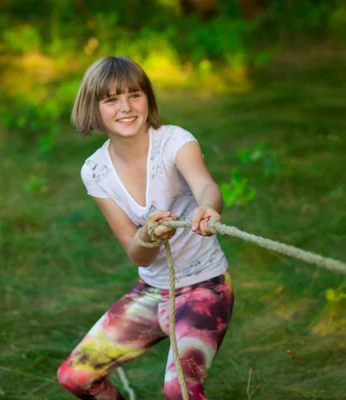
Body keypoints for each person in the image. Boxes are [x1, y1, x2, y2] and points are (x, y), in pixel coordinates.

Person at [57, 56, 234, 400]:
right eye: (111, 99)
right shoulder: (94, 171)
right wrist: (147, 235)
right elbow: (134, 249)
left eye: (134, 95)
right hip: (152, 291)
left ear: (148, 99)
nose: (125, 107)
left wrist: (209, 207)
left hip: (205, 287)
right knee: (75, 376)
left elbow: (205, 185)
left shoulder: (174, 142)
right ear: (93, 109)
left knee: (179, 390)